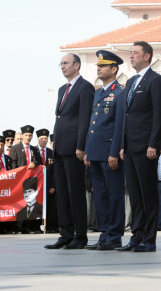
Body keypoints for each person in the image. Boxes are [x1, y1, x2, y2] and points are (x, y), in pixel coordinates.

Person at [109, 42, 161, 252]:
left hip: (146, 147)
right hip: (130, 147)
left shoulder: (156, 80)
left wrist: (153, 143)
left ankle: (149, 240)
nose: (131, 56)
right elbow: (126, 116)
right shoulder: (131, 81)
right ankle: (136, 236)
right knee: (134, 194)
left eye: (135, 53)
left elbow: (159, 114)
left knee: (148, 194)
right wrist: (122, 145)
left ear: (147, 56)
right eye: (131, 53)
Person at [45, 53, 95, 250]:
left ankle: (80, 235)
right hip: (60, 147)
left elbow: (84, 118)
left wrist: (81, 146)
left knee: (75, 193)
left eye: (66, 63)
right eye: (61, 64)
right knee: (62, 193)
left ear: (77, 65)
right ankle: (65, 234)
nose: (63, 66)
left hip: (74, 148)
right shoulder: (61, 89)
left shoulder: (85, 87)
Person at [80, 51, 126, 250]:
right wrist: (88, 150)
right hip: (96, 152)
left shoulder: (120, 92)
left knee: (114, 195)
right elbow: (93, 124)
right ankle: (104, 234)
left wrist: (114, 152)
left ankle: (114, 236)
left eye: (103, 65)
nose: (98, 68)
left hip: (109, 153)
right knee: (100, 195)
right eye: (98, 65)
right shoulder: (98, 92)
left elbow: (119, 125)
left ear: (114, 69)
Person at [36, 129, 57, 233]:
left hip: (48, 183)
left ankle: (49, 226)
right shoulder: (33, 151)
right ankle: (36, 227)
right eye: (42, 138)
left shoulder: (51, 152)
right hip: (36, 184)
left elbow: (55, 170)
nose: (44, 140)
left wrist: (53, 185)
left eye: (45, 138)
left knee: (50, 206)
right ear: (37, 139)